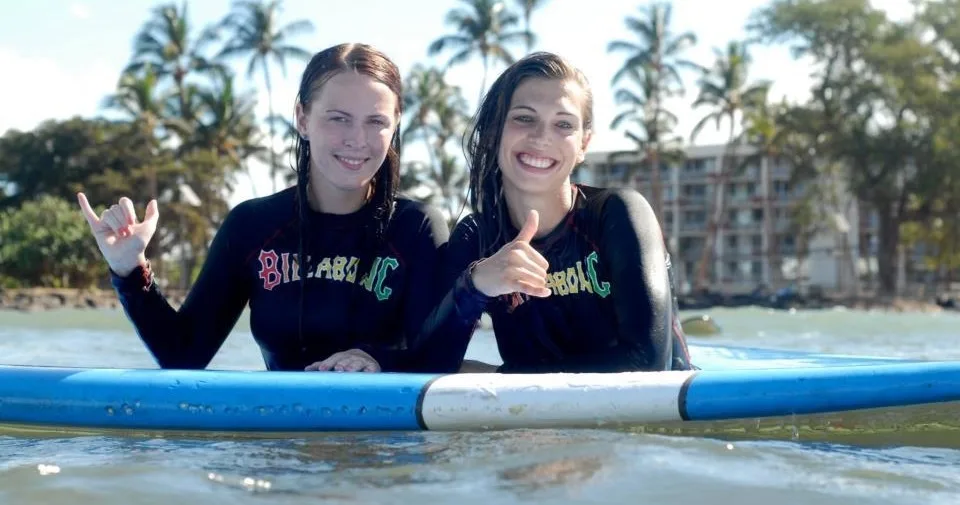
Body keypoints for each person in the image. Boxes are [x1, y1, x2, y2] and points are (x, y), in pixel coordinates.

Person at [77, 43, 449, 373]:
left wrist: (378, 359)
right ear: (303, 119)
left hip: (383, 444)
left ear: (395, 124)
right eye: (338, 119)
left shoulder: (415, 228)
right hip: (280, 445)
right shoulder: (253, 226)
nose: (357, 139)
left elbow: (436, 359)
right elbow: (184, 354)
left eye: (376, 122)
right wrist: (129, 270)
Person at [422, 52, 694, 373]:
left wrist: (501, 376)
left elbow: (648, 364)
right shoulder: (477, 237)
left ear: (583, 144)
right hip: (532, 423)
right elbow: (428, 362)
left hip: (655, 421)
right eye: (524, 118)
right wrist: (477, 284)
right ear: (495, 131)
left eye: (563, 124)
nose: (541, 137)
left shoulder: (616, 215)